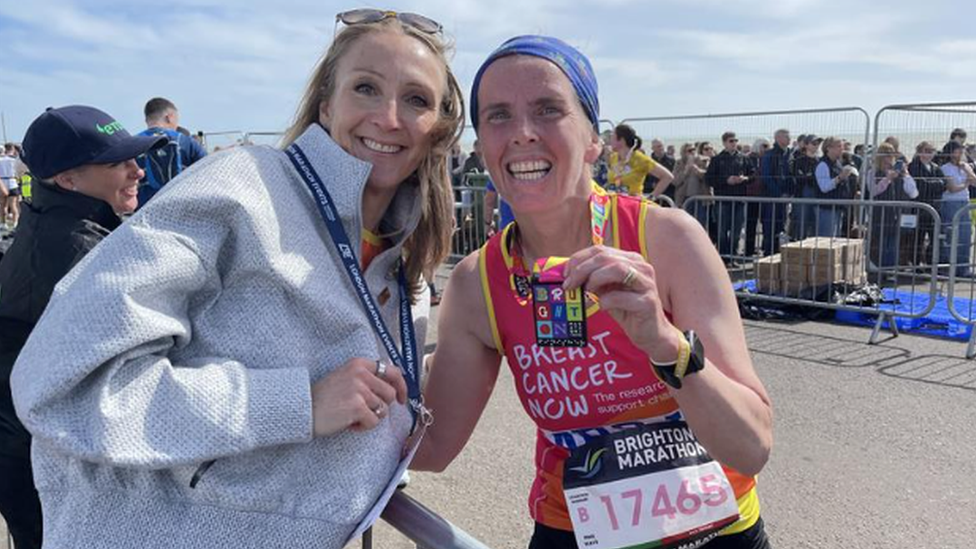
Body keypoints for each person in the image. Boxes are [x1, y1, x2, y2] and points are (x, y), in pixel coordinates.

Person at [10, 10, 463, 549]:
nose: (389, 117)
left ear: (436, 127)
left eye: (416, 99)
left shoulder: (404, 259)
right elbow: (62, 383)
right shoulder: (243, 187)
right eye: (366, 88)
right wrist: (299, 403)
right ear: (326, 105)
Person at [412, 35, 773, 549]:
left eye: (548, 109)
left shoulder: (667, 239)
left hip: (713, 533)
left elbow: (752, 445)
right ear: (481, 145)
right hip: (574, 534)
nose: (521, 134)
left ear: (593, 139)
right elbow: (432, 447)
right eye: (497, 116)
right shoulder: (477, 283)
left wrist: (667, 345)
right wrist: (323, 394)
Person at [0, 105, 167, 549]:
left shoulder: (67, 222)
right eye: (117, 162)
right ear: (68, 180)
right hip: (36, 457)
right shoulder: (77, 256)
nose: (138, 170)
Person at [136, 96, 208, 206]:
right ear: (169, 117)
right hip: (181, 208)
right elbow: (208, 171)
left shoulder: (133, 144)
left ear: (146, 120)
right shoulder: (186, 142)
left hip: (145, 211)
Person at [867, 142, 918, 271]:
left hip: (898, 214)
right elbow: (873, 191)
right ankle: (883, 270)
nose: (889, 158)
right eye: (886, 155)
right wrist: (887, 179)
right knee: (883, 243)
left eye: (891, 155)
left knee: (894, 244)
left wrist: (906, 174)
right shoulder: (873, 172)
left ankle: (891, 269)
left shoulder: (900, 173)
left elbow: (913, 193)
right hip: (881, 214)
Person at [705, 131, 755, 262]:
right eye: (731, 141)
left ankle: (733, 257)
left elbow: (753, 175)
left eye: (735, 141)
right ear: (724, 143)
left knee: (736, 232)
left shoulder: (744, 158)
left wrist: (745, 179)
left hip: (740, 200)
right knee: (722, 231)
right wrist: (726, 180)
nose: (734, 143)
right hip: (723, 200)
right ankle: (722, 259)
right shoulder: (716, 160)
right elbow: (709, 179)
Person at [940, 141, 976, 277]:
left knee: (966, 235)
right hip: (950, 203)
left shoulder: (965, 166)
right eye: (957, 150)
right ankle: (949, 267)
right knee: (951, 235)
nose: (960, 153)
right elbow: (952, 188)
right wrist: (967, 183)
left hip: (964, 202)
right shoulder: (945, 168)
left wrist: (967, 170)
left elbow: (975, 181)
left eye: (961, 150)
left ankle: (963, 268)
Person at [907, 141, 947, 266]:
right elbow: (921, 185)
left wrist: (935, 184)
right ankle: (916, 264)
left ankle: (931, 264)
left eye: (931, 151)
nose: (929, 154)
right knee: (918, 238)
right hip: (920, 208)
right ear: (919, 152)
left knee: (935, 237)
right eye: (926, 151)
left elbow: (944, 184)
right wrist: (936, 184)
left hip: (935, 207)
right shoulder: (914, 166)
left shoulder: (936, 167)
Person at [608, 124, 673, 197]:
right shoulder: (613, 158)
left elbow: (667, 177)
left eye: (612, 137)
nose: (609, 140)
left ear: (622, 140)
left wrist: (652, 197)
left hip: (633, 204)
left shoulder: (640, 159)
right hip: (614, 202)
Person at [812, 136, 858, 237]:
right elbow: (824, 187)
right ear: (828, 148)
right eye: (838, 146)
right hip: (826, 209)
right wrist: (840, 177)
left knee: (834, 239)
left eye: (842, 146)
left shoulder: (837, 163)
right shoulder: (823, 165)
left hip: (837, 208)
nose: (842, 149)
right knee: (826, 240)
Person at [759, 129, 792, 255]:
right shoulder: (769, 155)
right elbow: (766, 176)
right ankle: (768, 254)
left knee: (781, 227)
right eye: (786, 137)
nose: (789, 139)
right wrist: (779, 194)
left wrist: (789, 192)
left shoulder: (789, 154)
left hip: (785, 198)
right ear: (778, 138)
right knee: (769, 227)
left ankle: (778, 254)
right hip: (771, 198)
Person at [673, 142, 710, 229]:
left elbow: (708, 177)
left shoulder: (704, 160)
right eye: (690, 150)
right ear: (684, 152)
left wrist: (697, 169)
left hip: (701, 199)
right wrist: (686, 170)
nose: (692, 152)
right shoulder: (679, 163)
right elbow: (675, 181)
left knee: (700, 226)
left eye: (694, 149)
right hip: (684, 199)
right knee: (684, 226)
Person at [0, 143, 19, 229]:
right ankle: (15, 223)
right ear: (13, 149)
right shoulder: (15, 159)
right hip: (12, 182)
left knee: (3, 205)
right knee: (13, 205)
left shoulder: (1, 159)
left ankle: (3, 223)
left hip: (2, 183)